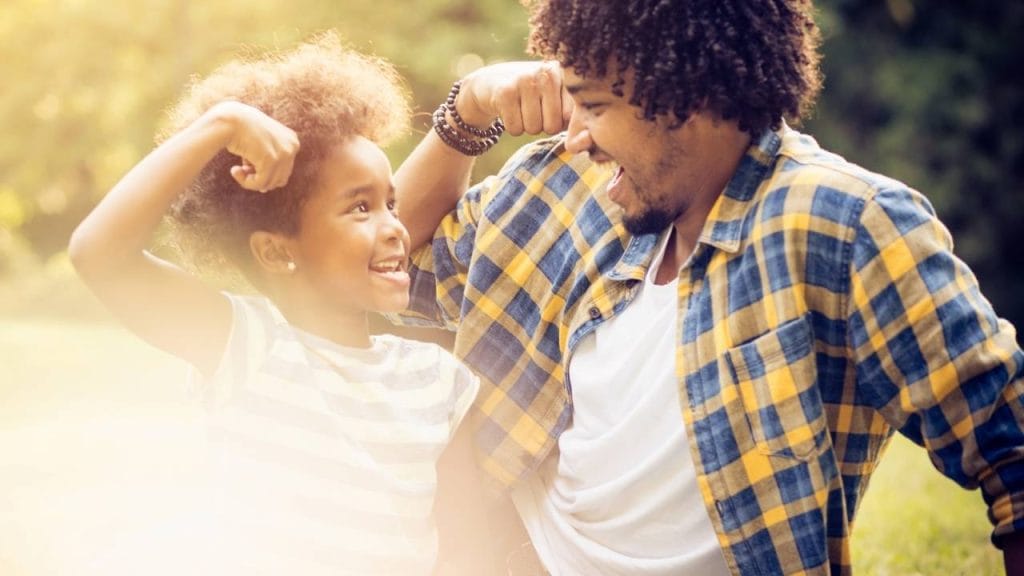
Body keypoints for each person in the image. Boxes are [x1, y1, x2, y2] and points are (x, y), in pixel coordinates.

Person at [391, 1, 1024, 575]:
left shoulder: (844, 223)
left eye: (596, 105)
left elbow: (1008, 446)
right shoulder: (566, 181)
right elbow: (389, 259)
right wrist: (469, 107)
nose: (575, 132)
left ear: (688, 97)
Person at [69, 33, 492, 575]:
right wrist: (220, 126)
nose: (394, 228)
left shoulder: (436, 379)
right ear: (275, 251)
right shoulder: (244, 345)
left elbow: (467, 554)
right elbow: (98, 254)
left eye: (390, 203)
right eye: (360, 208)